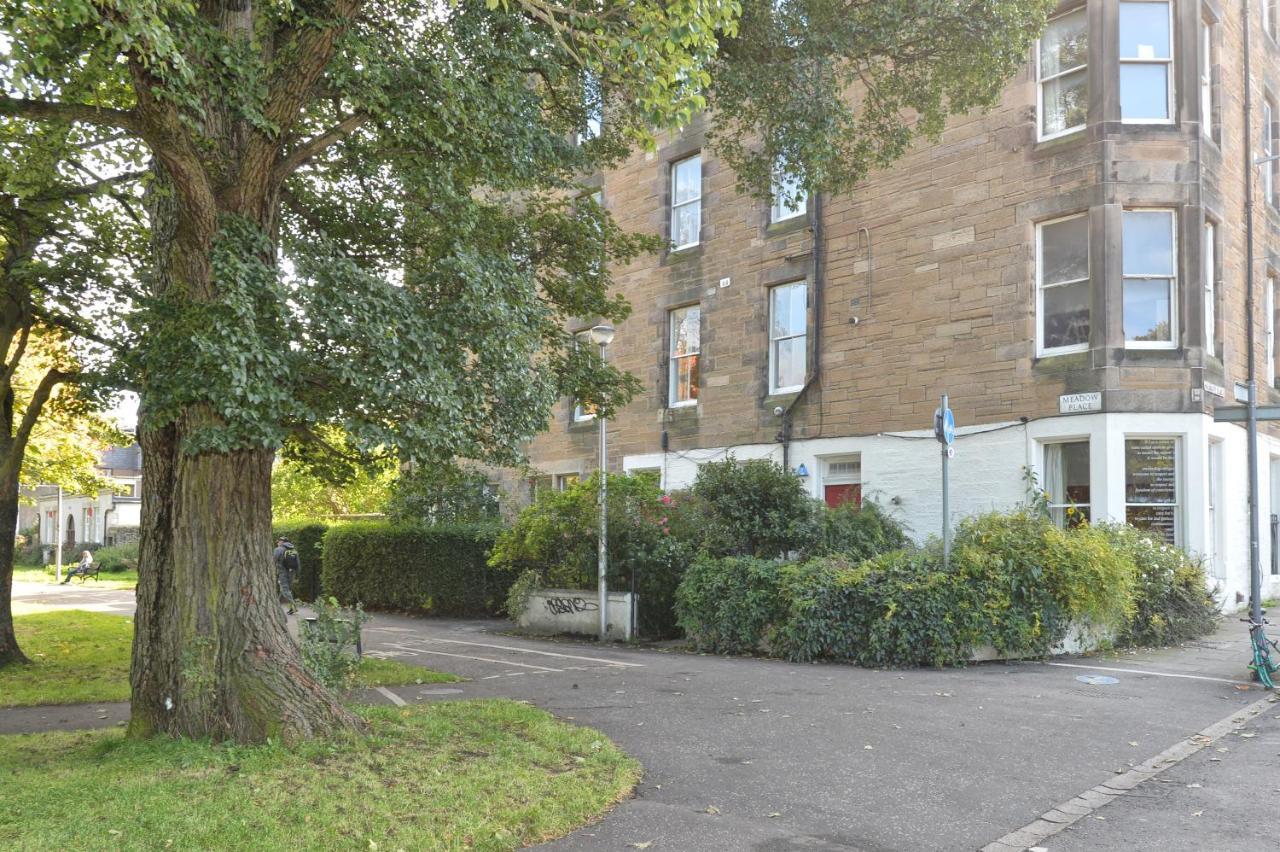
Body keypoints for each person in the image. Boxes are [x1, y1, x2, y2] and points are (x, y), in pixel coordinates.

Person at [273, 537, 300, 615]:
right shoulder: (294, 550)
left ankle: (294, 607)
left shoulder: (278, 550)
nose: (277, 543)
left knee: (285, 590)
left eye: (278, 541)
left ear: (282, 542)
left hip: (282, 573)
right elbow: (298, 564)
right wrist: (297, 576)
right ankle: (277, 606)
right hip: (292, 573)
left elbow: (272, 561)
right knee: (286, 590)